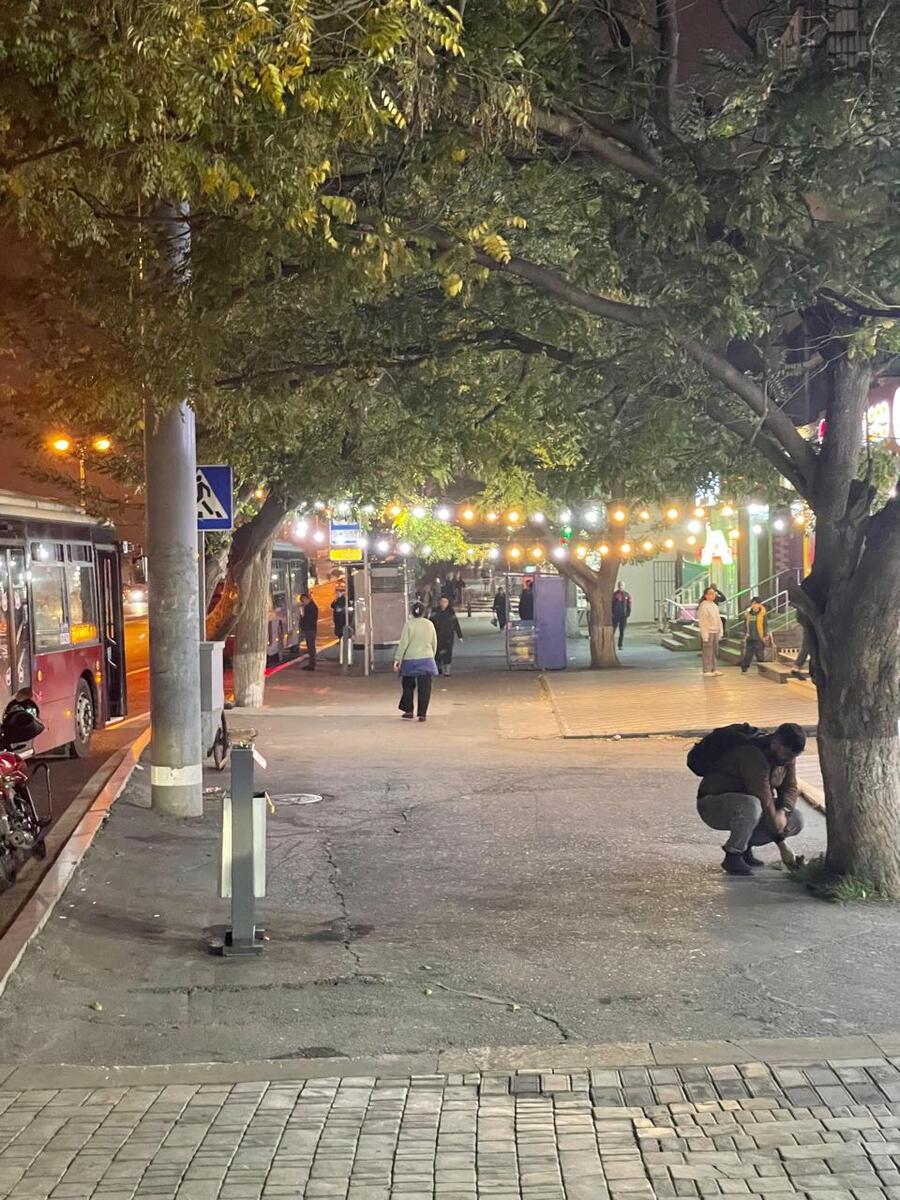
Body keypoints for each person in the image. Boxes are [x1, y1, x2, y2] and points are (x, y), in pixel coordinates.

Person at [696, 722, 806, 875]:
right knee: (752, 806)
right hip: (713, 805)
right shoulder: (752, 754)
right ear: (776, 743)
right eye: (786, 754)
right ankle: (733, 854)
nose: (788, 760)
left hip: (750, 805)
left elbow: (790, 787)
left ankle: (745, 846)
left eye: (793, 757)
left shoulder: (787, 757)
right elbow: (764, 798)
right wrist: (782, 845)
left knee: (796, 819)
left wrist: (784, 810)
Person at [394, 601, 438, 721]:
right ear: (424, 612)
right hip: (426, 659)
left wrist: (398, 659)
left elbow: (403, 643)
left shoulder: (409, 625)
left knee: (407, 685)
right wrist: (432, 655)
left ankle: (408, 710)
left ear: (412, 612)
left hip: (410, 660)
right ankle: (422, 713)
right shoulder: (429, 624)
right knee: (425, 688)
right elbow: (434, 642)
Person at [430, 596, 463, 675]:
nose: (444, 603)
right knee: (437, 652)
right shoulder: (435, 611)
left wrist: (460, 635)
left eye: (446, 602)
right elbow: (430, 623)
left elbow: (456, 623)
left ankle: (447, 670)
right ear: (440, 602)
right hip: (437, 635)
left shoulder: (451, 612)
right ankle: (438, 667)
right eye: (443, 601)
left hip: (448, 636)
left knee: (448, 652)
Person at [697, 585, 724, 677]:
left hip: (715, 631)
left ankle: (714, 668)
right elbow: (703, 622)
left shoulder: (715, 605)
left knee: (714, 651)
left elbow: (718, 619)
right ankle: (707, 669)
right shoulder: (703, 606)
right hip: (708, 632)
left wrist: (720, 631)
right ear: (706, 595)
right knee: (708, 651)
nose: (713, 595)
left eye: (714, 593)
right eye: (710, 594)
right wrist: (705, 635)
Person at [740, 597, 769, 673]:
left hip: (759, 636)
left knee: (759, 654)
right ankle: (744, 667)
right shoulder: (748, 613)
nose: (754, 605)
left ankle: (762, 668)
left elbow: (765, 624)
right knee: (748, 653)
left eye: (756, 604)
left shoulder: (763, 613)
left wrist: (765, 635)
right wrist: (745, 633)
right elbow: (745, 624)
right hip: (750, 636)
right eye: (753, 603)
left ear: (759, 604)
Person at [299, 592, 318, 671]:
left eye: (303, 601)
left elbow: (308, 619)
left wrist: (302, 617)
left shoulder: (311, 607)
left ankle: (312, 664)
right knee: (310, 647)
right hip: (310, 629)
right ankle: (311, 664)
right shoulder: (310, 606)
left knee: (311, 647)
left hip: (310, 629)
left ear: (306, 599)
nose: (303, 603)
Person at [611, 581, 631, 649]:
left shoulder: (627, 595)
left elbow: (629, 604)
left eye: (622, 585)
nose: (620, 586)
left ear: (624, 586)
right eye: (619, 585)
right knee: (613, 630)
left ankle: (620, 645)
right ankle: (611, 644)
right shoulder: (614, 595)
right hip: (615, 615)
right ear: (617, 586)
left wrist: (628, 613)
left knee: (622, 631)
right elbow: (611, 604)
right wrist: (612, 613)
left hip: (623, 615)